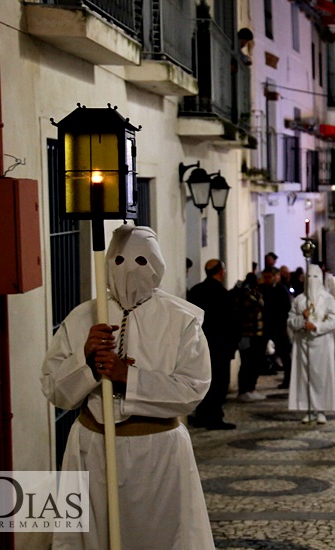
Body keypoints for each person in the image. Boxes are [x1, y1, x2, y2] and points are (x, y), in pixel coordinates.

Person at [41, 225, 214, 549]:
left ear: (157, 265)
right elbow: (55, 391)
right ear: (107, 263)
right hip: (92, 450)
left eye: (141, 260)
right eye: (119, 260)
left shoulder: (181, 320)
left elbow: (192, 390)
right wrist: (87, 361)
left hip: (157, 453)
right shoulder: (83, 319)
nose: (129, 270)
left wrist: (128, 378)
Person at [187, 259, 240, 429]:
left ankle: (202, 414)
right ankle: (214, 417)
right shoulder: (223, 294)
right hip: (220, 347)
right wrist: (233, 345)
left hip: (200, 345)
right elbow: (231, 323)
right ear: (221, 272)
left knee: (202, 381)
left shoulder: (195, 291)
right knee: (218, 383)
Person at [287, 265, 335, 423]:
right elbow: (290, 321)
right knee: (305, 377)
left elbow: (333, 320)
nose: (312, 281)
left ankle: (321, 409)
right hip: (303, 343)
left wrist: (316, 326)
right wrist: (302, 320)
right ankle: (308, 408)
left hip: (322, 343)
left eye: (315, 277)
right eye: (309, 277)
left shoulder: (328, 299)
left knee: (320, 376)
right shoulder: (299, 300)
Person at [232, 272, 265, 402]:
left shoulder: (254, 293)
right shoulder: (242, 296)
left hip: (256, 334)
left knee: (254, 363)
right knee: (247, 363)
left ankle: (250, 388)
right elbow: (241, 314)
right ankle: (243, 390)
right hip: (246, 335)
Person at [260, 268, 293, 388]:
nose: (266, 280)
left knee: (284, 354)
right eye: (265, 277)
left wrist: (284, 326)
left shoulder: (281, 290)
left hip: (278, 326)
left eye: (269, 277)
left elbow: (286, 308)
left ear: (275, 277)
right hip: (265, 326)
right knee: (257, 354)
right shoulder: (262, 289)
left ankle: (288, 380)